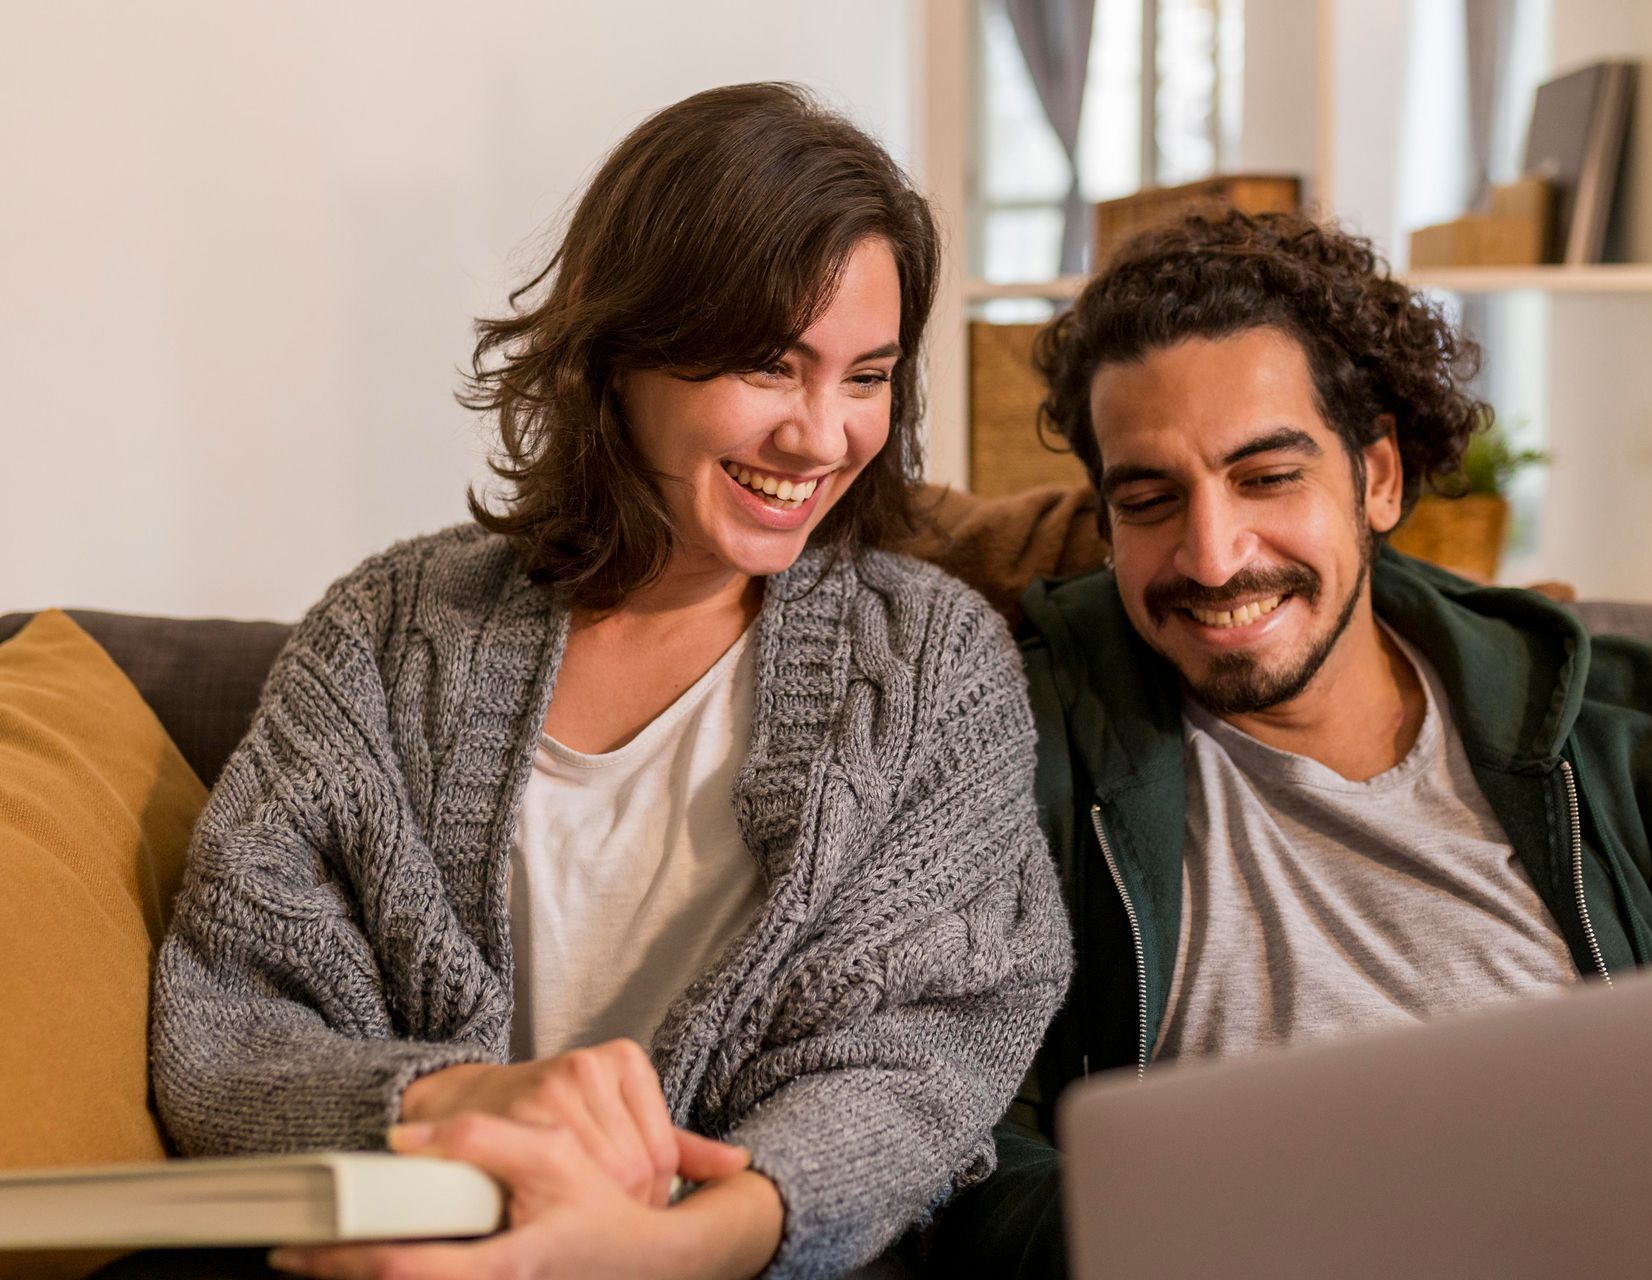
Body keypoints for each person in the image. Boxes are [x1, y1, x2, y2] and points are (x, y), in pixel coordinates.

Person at [149, 82, 1071, 1280]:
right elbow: (228, 1028)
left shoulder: (935, 667)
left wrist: (673, 1244)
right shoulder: (386, 632)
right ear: (623, 351)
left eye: (866, 375)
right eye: (769, 365)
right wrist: (468, 1099)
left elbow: (921, 1066)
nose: (821, 434)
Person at [930, 210, 1652, 1275]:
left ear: (1376, 476)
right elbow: (957, 1145)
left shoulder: (1650, 739)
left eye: (1267, 477)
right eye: (1149, 499)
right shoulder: (1019, 753)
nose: (1213, 552)